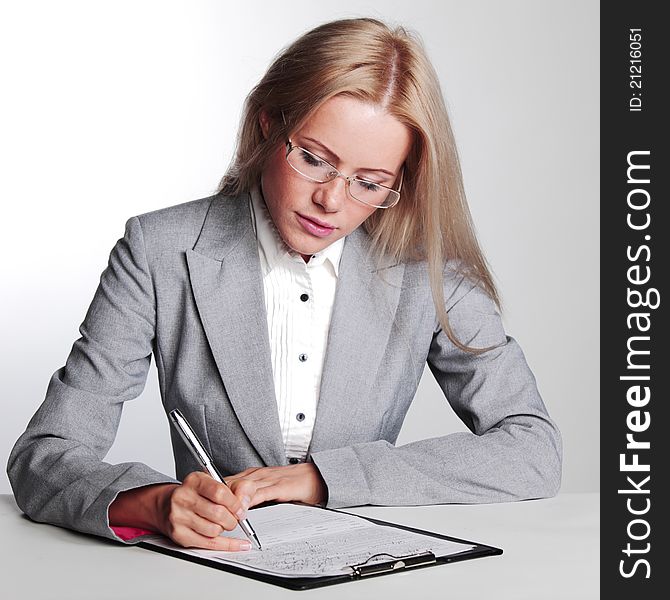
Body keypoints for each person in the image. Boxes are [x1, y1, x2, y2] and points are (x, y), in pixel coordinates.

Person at [7, 17, 561, 552]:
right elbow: (45, 454)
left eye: (371, 183)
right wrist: (151, 503)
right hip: (214, 573)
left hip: (374, 571)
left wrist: (324, 480)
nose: (334, 201)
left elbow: (533, 451)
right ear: (270, 122)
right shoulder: (159, 249)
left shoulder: (430, 274)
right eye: (316, 160)